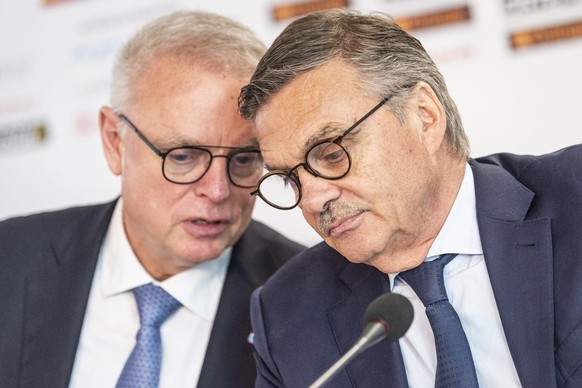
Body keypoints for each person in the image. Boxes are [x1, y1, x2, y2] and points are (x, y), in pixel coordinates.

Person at [238, 8, 582, 388]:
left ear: (425, 117)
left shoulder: (575, 195)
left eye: (332, 153)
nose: (312, 200)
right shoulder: (288, 314)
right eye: (289, 179)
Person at [0, 10, 305, 388]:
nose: (218, 190)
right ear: (115, 141)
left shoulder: (305, 300)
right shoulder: (10, 259)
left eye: (244, 159)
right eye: (183, 157)